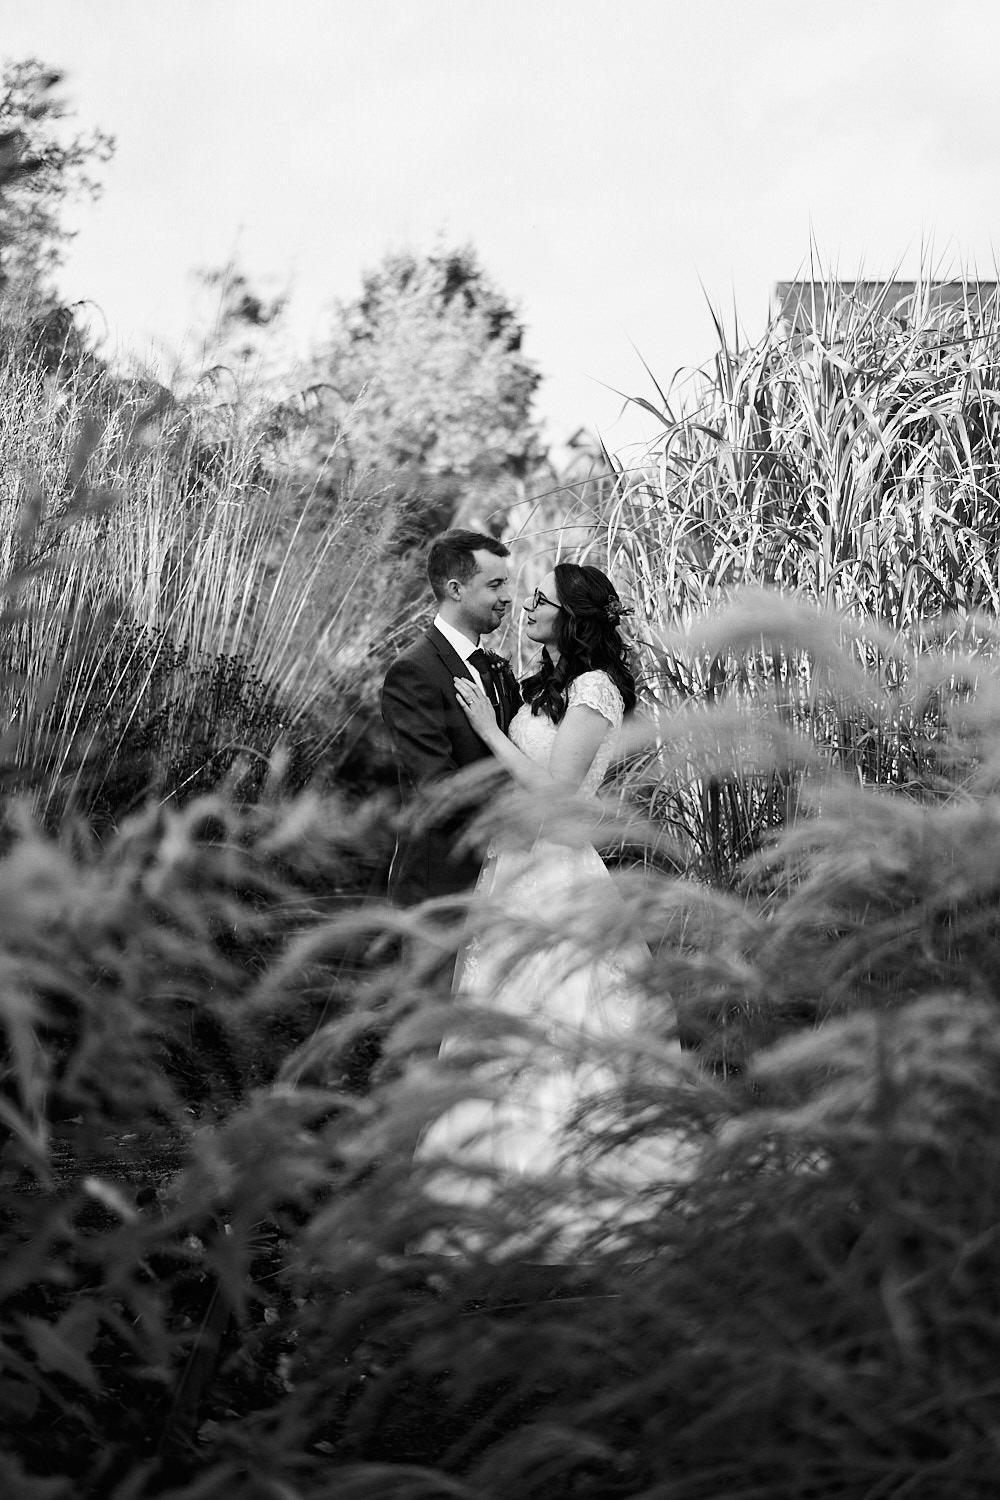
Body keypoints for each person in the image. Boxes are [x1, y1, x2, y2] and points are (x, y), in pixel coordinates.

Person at [418, 561, 685, 1251]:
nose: (528, 604)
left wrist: (489, 728)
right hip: (515, 861)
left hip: (557, 868)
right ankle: (488, 1182)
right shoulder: (550, 683)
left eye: (542, 598)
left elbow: (557, 790)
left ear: (572, 615)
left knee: (558, 1019)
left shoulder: (595, 689)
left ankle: (574, 1186)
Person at [381, 530, 522, 907]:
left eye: (506, 583)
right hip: (443, 888)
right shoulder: (413, 672)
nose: (507, 596)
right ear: (456, 589)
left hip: (508, 884)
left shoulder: (495, 667)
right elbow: (438, 787)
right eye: (495, 585)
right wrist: (525, 805)